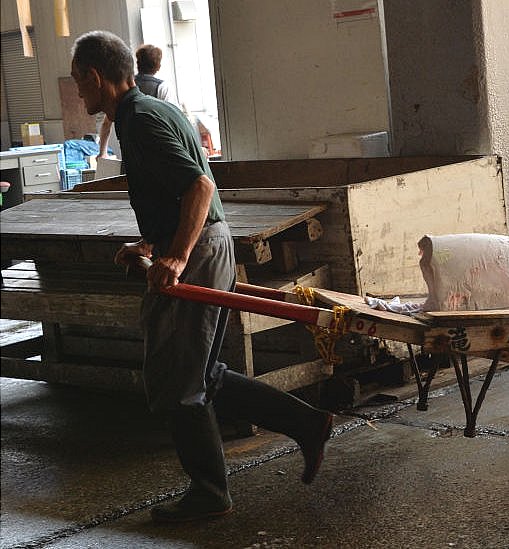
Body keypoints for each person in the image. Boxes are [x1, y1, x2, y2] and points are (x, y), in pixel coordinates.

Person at [71, 30, 334, 523]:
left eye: (77, 81)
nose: (78, 90)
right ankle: (306, 423)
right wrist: (151, 244)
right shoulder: (144, 111)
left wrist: (175, 256)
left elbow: (198, 185)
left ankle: (209, 492)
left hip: (200, 249)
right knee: (202, 372)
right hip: (200, 244)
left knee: (178, 378)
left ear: (94, 76)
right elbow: (176, 190)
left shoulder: (143, 119)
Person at [97, 44, 178, 159]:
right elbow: (172, 121)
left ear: (138, 63)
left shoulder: (124, 87)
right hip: (157, 150)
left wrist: (102, 152)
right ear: (158, 66)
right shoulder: (162, 87)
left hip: (130, 151)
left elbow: (106, 123)